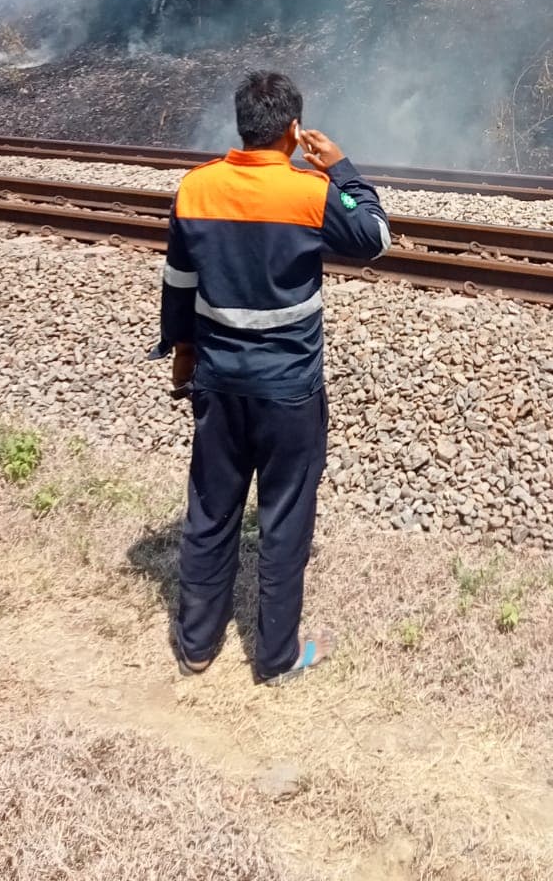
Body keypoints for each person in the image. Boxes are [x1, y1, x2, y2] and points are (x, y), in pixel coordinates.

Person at [155, 71, 391, 685]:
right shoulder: (310, 192)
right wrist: (342, 169)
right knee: (284, 518)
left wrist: (181, 351)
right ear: (292, 131)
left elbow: (179, 283)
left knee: (211, 508)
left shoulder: (195, 189)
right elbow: (376, 237)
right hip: (290, 388)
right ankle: (276, 657)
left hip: (218, 381)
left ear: (241, 126)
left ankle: (197, 646)